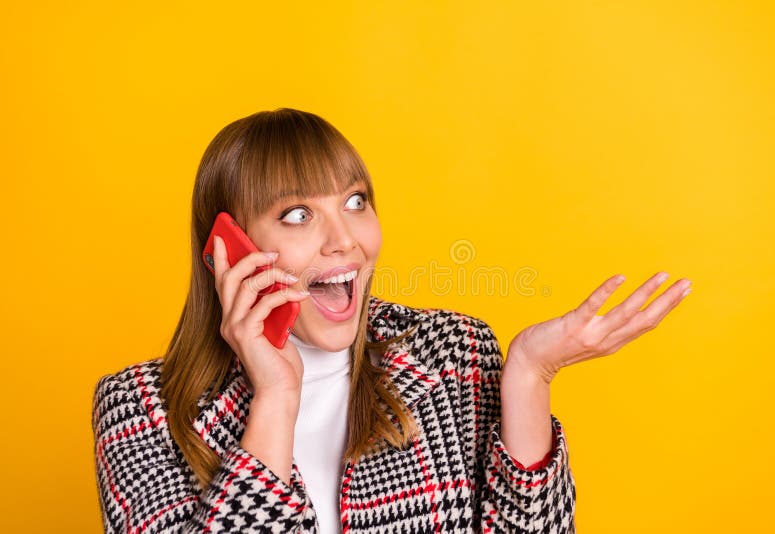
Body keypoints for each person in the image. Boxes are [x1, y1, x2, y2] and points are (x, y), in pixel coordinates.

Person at [92, 109, 691, 533]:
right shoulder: (138, 408)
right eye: (299, 214)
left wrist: (529, 376)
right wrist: (276, 394)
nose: (345, 241)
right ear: (230, 249)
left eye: (355, 202)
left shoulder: (450, 353)